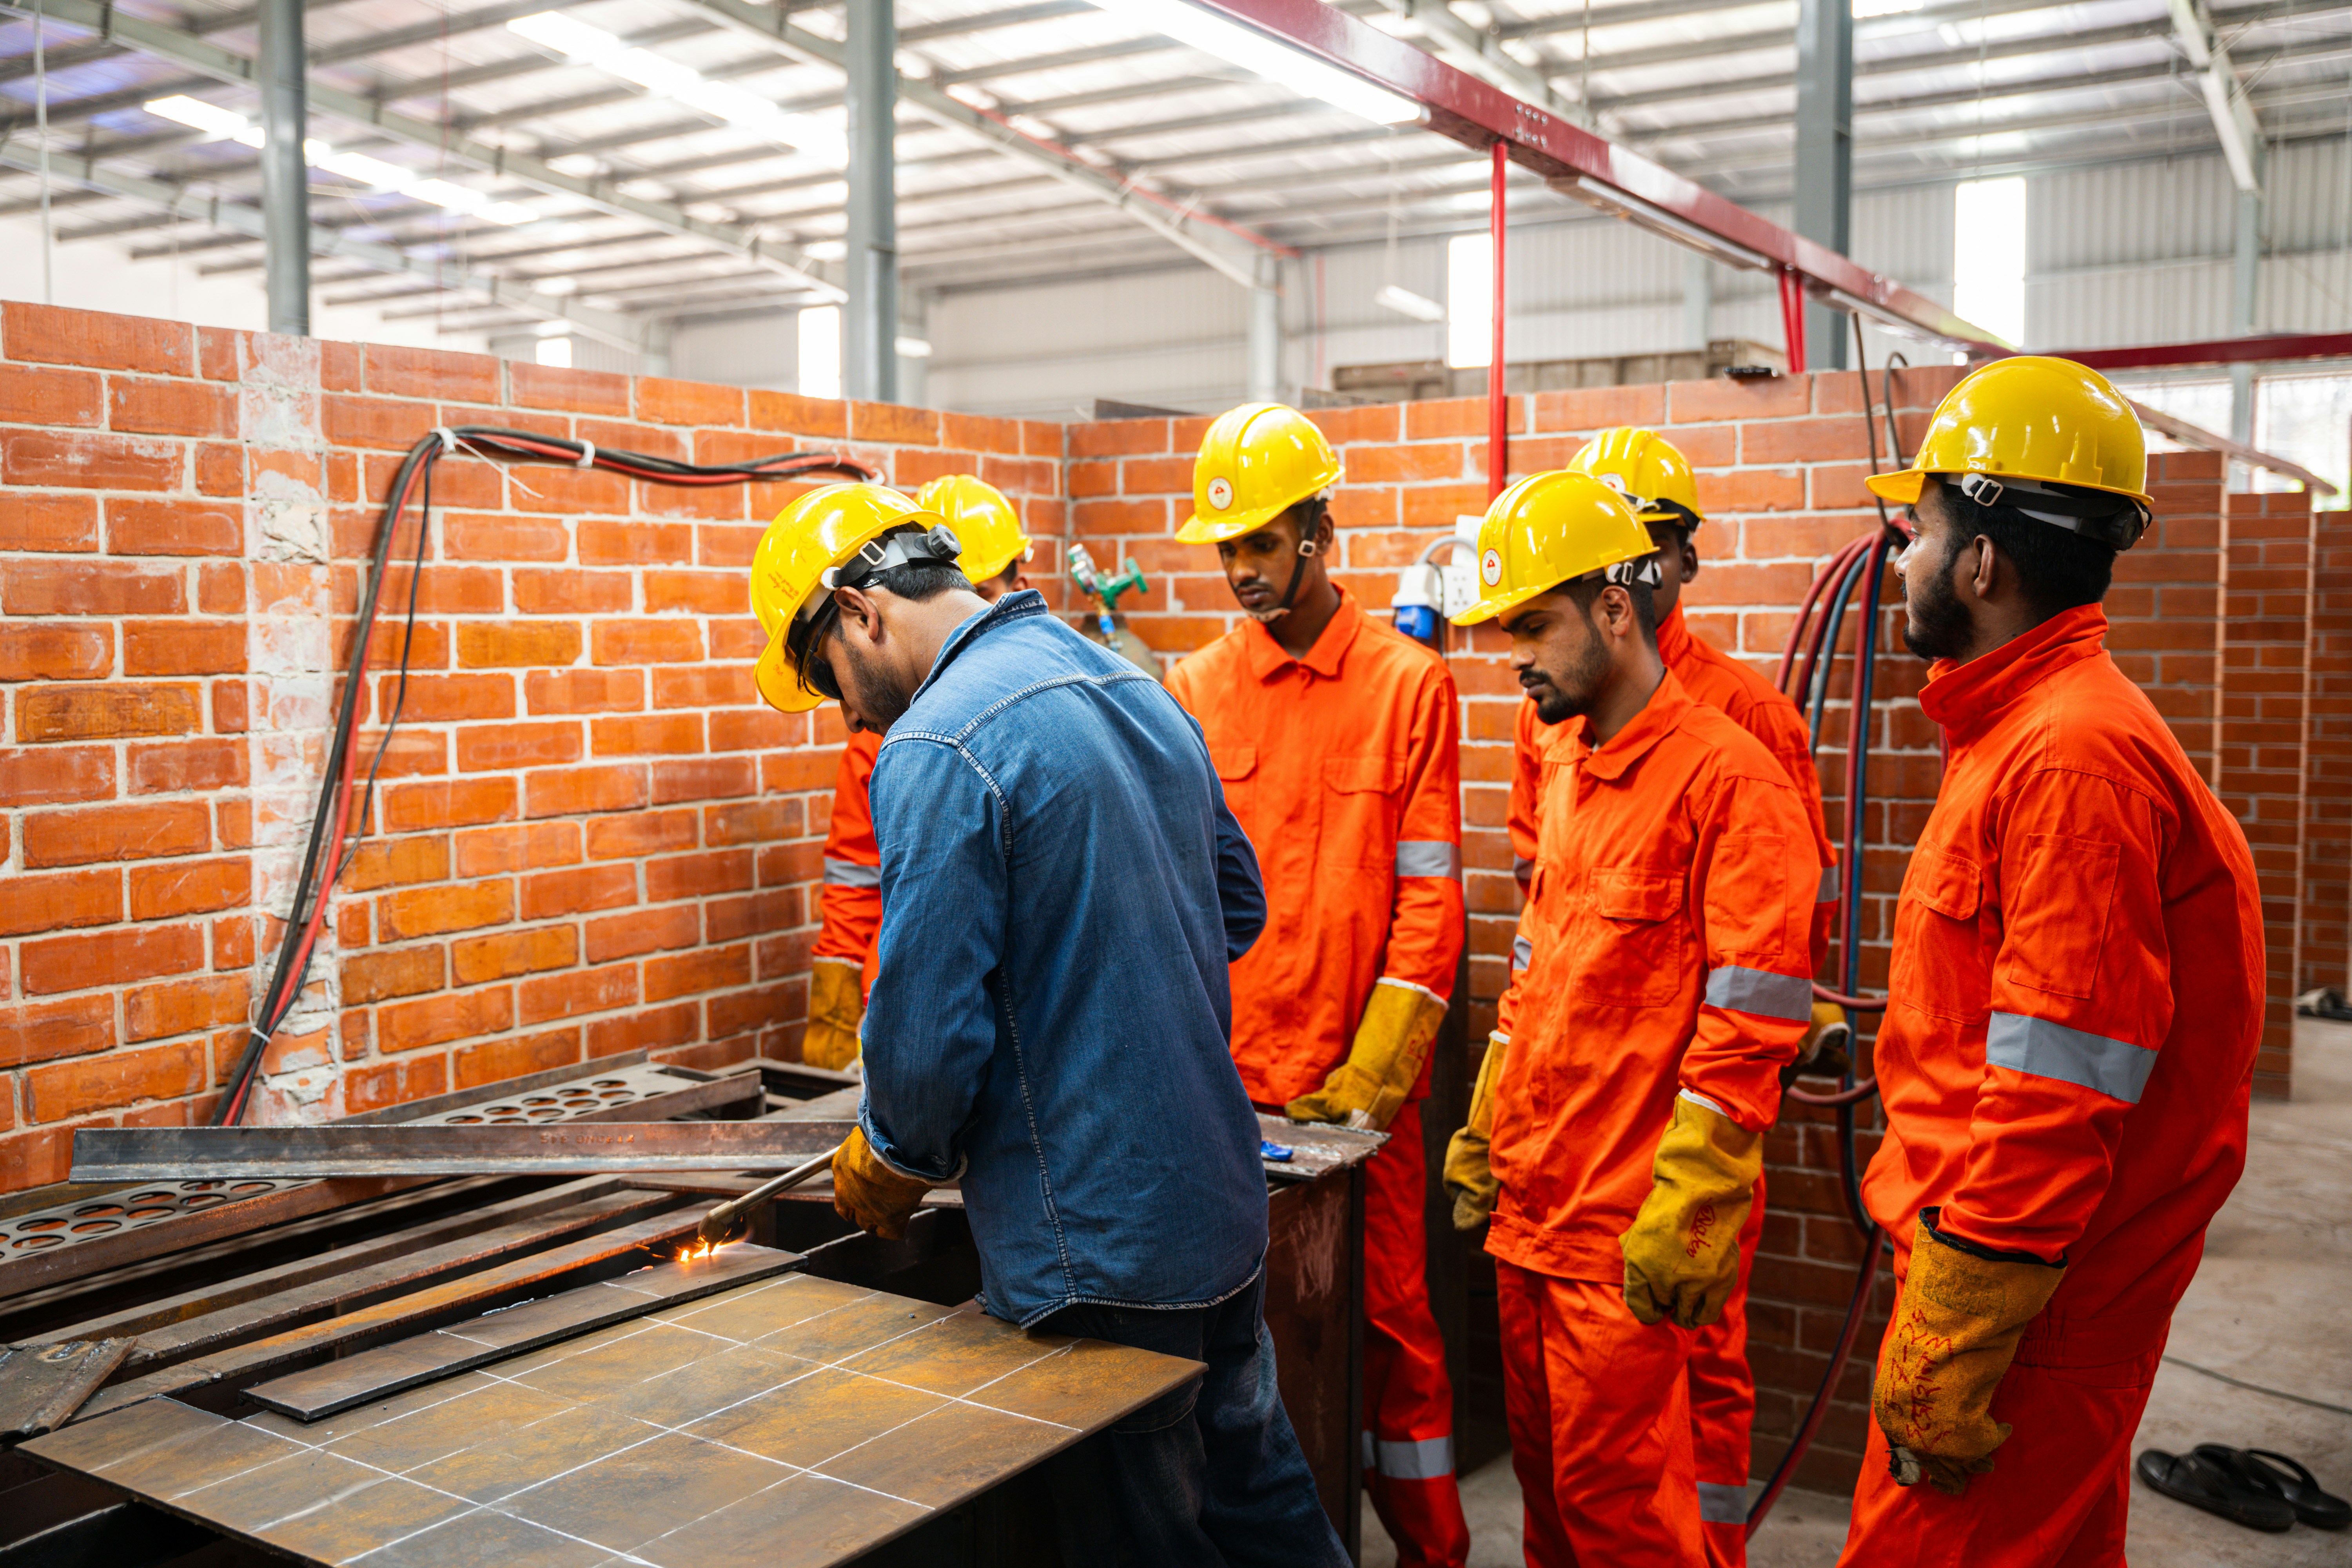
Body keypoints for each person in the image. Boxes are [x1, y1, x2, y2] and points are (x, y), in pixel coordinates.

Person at [749, 481, 1344, 1566]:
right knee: (1262, 1509)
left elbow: (928, 1040)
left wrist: (894, 1153)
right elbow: (1239, 906)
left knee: (1145, 1545)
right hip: (1216, 1202)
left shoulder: (936, 743)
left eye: (830, 679)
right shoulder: (1133, 683)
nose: (849, 716)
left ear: (861, 611)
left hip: (1094, 1247)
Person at [1836, 357, 2263, 1563]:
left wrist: (1958, 1326)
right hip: (2033, 1283)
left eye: (1918, 534)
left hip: (2022, 1303)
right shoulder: (2034, 727)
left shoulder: (2070, 758)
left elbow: (2062, 1081)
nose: (1900, 561)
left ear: (1983, 563)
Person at [1444, 469, 1821, 1566]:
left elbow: (1751, 1029)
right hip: (1534, 1218)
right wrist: (1489, 1124)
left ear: (1615, 608)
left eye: (1533, 627)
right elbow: (1537, 977)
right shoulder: (1567, 765)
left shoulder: (1731, 780)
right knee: (1553, 1509)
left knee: (1625, 1525)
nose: (1514, 656)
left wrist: (1693, 1201)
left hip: (1623, 1239)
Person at [1164, 403, 1470, 1568]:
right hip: (1232, 1097)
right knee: (1248, 1341)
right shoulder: (1194, 686)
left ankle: (1433, 1551)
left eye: (1261, 542)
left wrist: (1373, 1080)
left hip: (1360, 1103)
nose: (1241, 570)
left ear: (1318, 533)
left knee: (1392, 1329)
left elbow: (1431, 905)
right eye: (1227, 547)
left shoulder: (1410, 685)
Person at [800, 474, 1037, 1071]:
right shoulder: (883, 730)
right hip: (907, 1019)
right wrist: (836, 1021)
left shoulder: (1044, 719)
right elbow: (855, 876)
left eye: (980, 595)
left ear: (1016, 589)